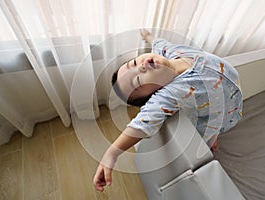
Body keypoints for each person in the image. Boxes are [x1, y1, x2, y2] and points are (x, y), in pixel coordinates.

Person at [93, 29, 243, 192]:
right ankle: (211, 142)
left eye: (134, 63)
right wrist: (112, 153)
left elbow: (159, 43)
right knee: (208, 134)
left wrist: (148, 37)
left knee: (216, 127)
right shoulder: (172, 93)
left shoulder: (170, 52)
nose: (141, 67)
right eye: (138, 80)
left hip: (230, 103)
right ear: (154, 94)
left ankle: (214, 138)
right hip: (215, 116)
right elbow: (142, 123)